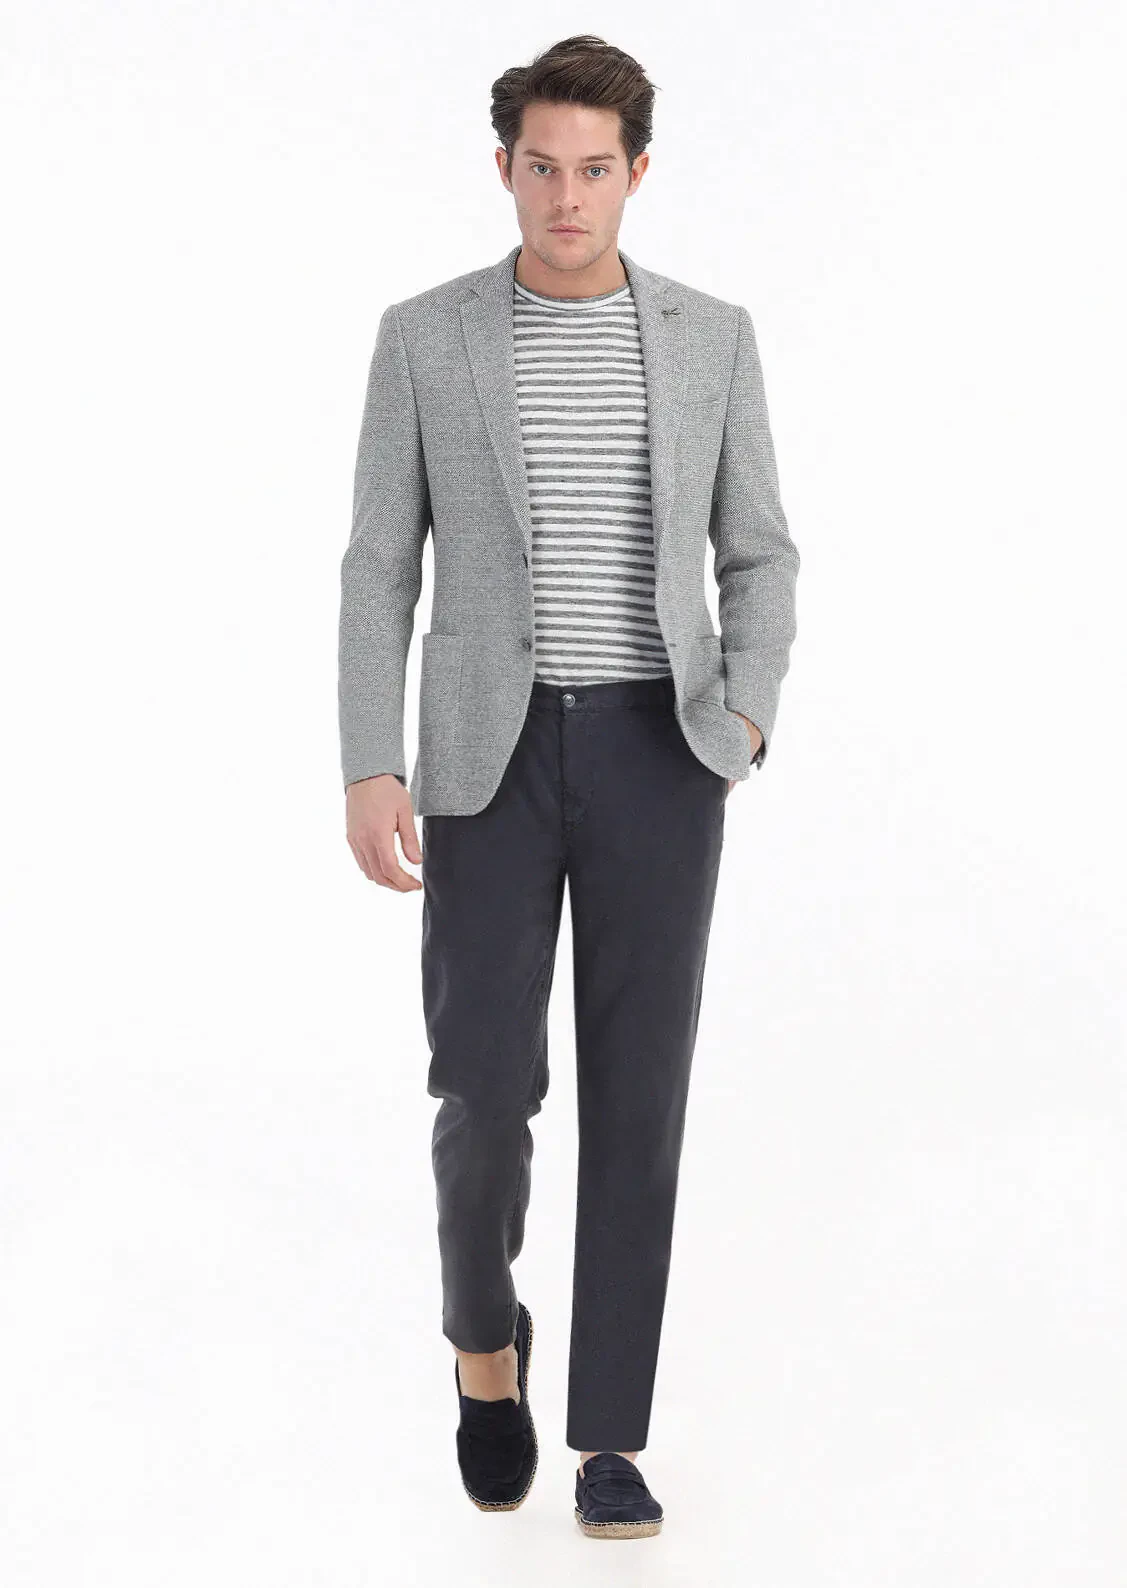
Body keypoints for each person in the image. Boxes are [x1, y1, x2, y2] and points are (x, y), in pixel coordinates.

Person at [338, 33, 799, 1538]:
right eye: (541, 167)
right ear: (505, 169)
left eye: (595, 169)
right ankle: (486, 1350)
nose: (566, 196)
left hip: (662, 751)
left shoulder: (712, 336)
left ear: (636, 173)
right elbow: (377, 566)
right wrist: (370, 758)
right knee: (483, 1086)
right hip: (488, 753)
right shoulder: (426, 336)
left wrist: (743, 712)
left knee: (638, 1099)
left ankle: (608, 1435)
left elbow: (758, 551)